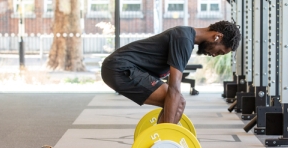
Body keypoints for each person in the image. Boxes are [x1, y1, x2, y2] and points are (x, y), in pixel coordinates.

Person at [101, 21, 241, 124]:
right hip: (119, 68)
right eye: (220, 51)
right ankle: (162, 144)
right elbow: (174, 87)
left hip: (120, 68)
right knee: (178, 102)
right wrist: (167, 133)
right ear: (217, 37)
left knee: (177, 103)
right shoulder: (184, 39)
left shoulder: (186, 37)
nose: (215, 55)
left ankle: (159, 145)